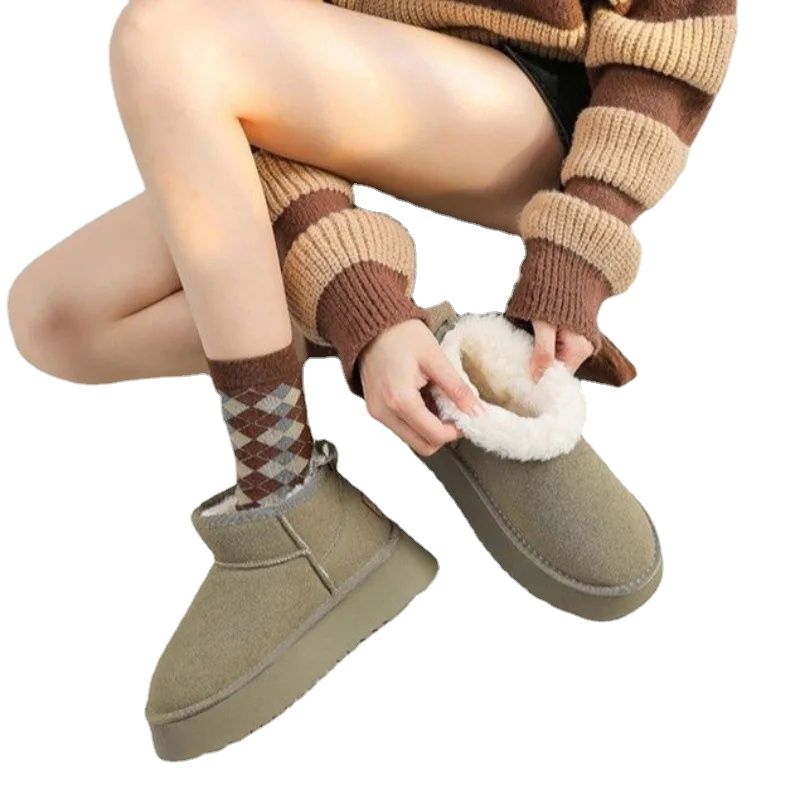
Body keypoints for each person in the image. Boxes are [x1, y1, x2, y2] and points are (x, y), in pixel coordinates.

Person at [6, 0, 736, 760]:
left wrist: (579, 249)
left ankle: (280, 487)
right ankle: (444, 370)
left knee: (165, 41)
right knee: (59, 319)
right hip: (321, 75)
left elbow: (678, 24)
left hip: (529, 101)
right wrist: (366, 304)